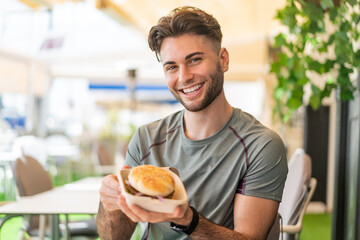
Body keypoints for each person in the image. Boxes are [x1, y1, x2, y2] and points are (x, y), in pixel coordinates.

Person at [97, 6, 288, 240]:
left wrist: (188, 220)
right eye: (171, 67)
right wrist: (110, 204)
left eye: (194, 60)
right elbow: (114, 237)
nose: (184, 76)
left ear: (223, 59)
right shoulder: (147, 139)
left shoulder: (261, 146)